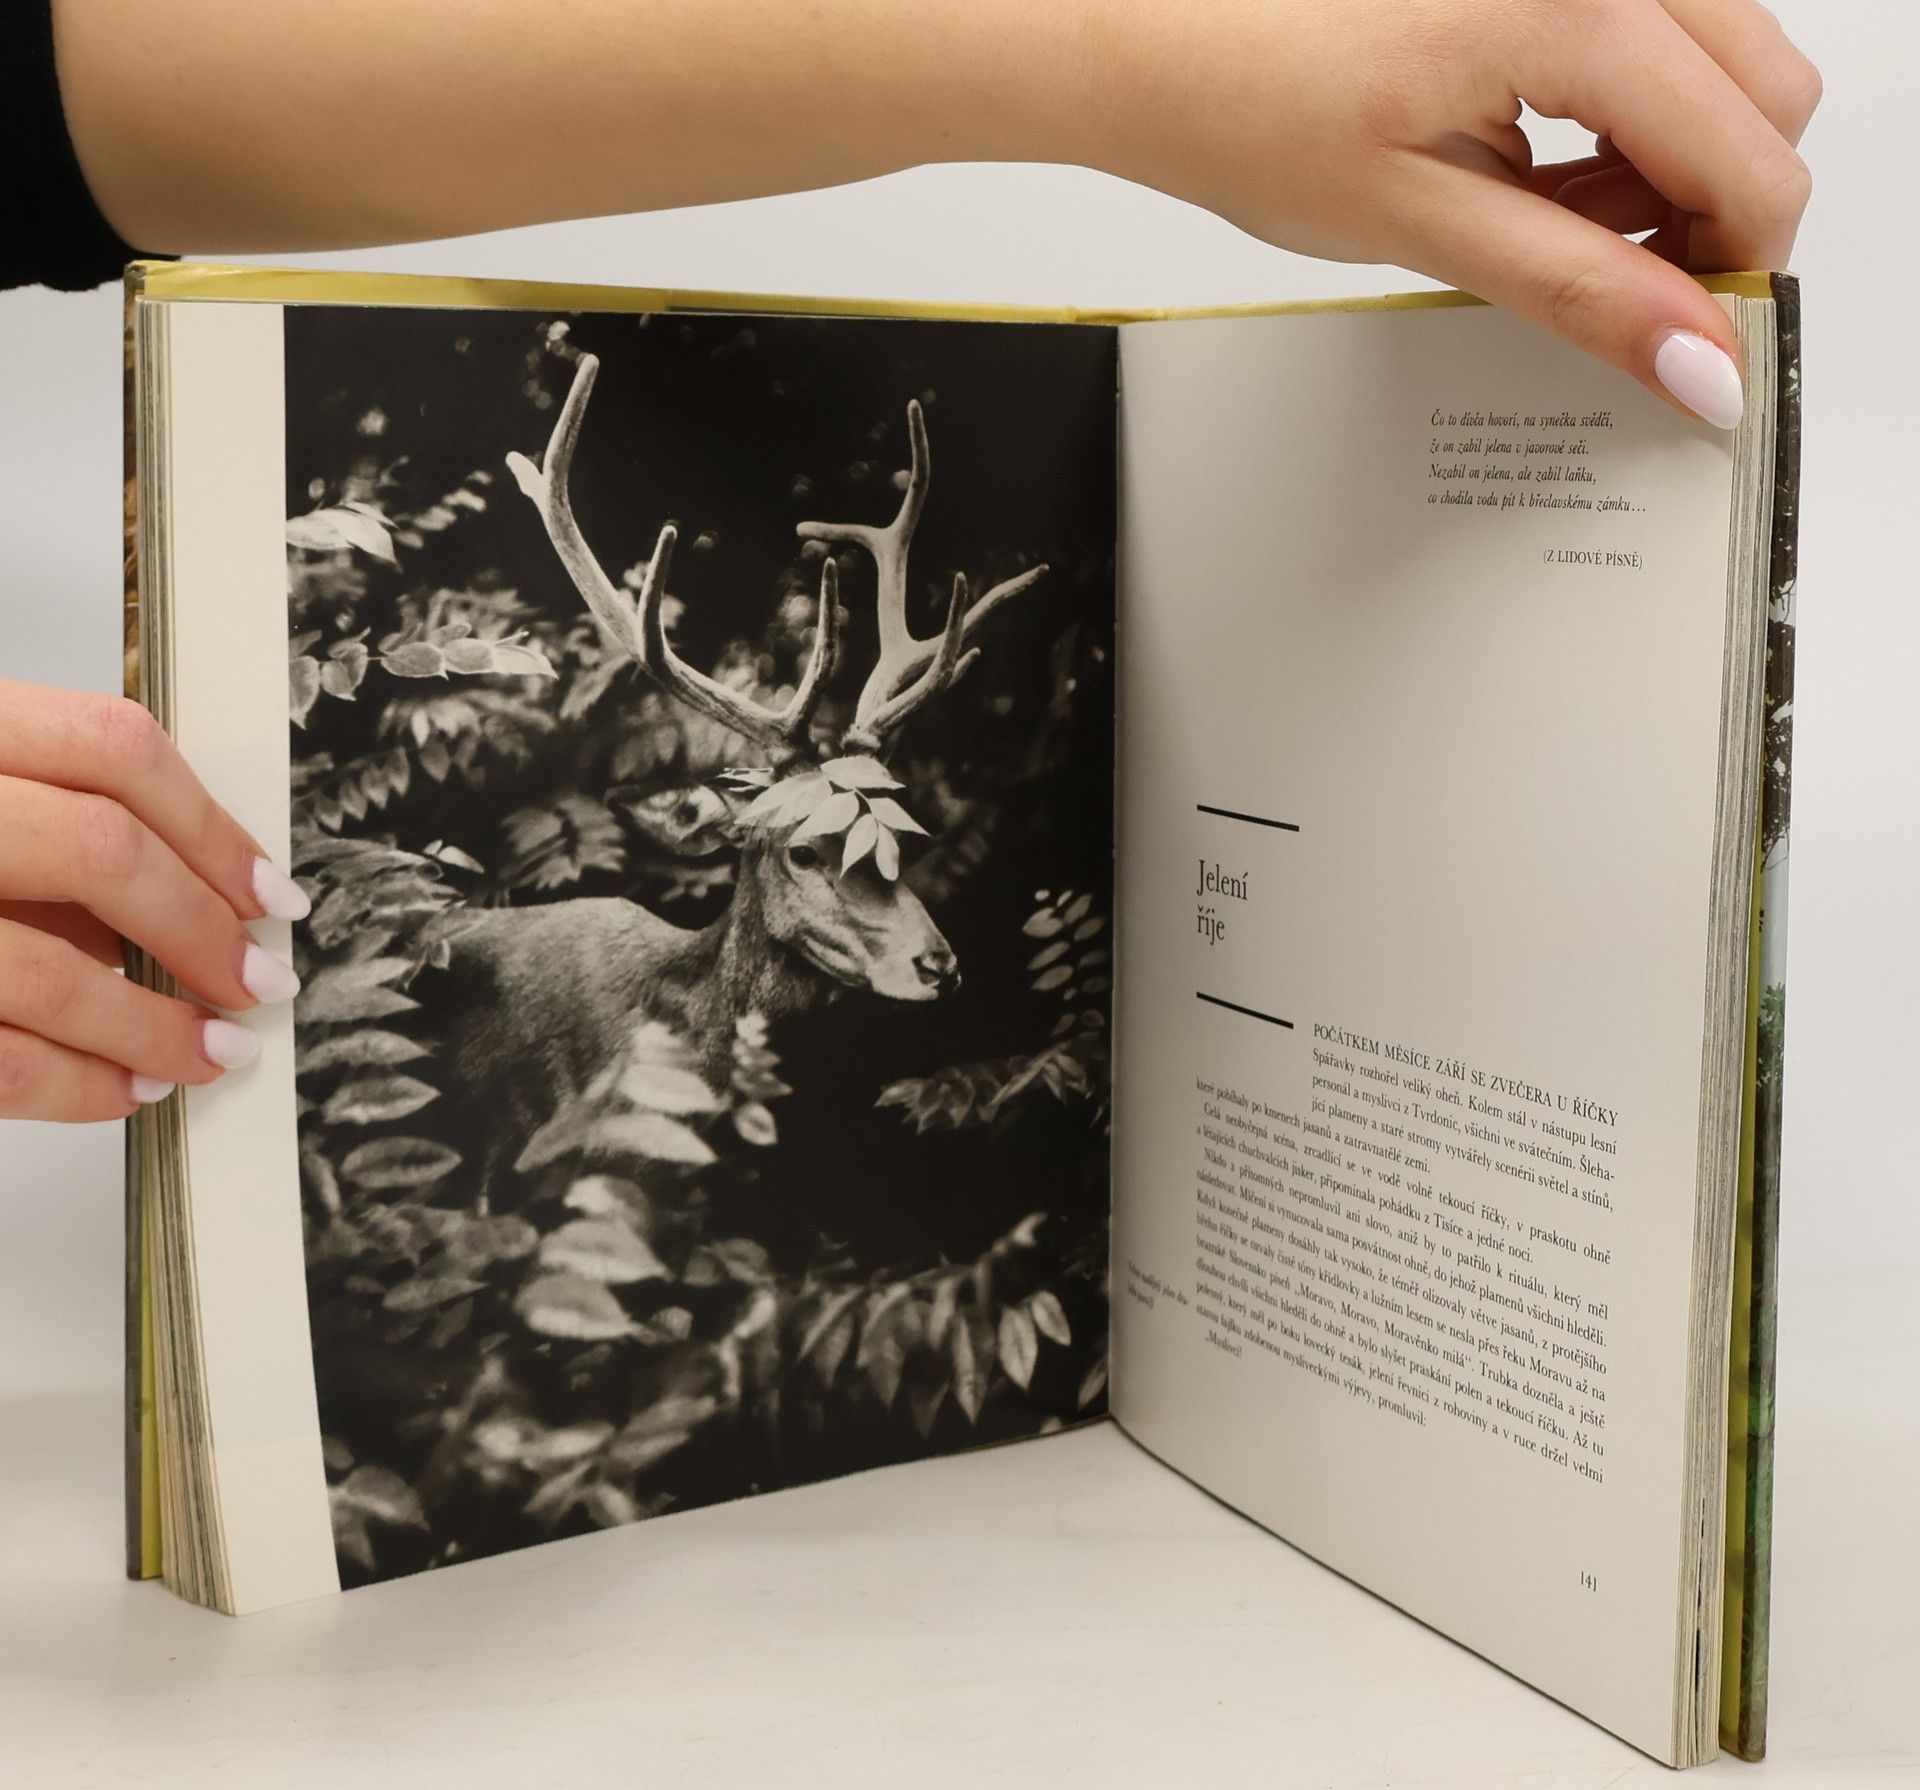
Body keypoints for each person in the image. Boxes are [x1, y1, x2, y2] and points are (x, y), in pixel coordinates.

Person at [0, 0, 1818, 1122]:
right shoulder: (598, 955)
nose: (905, 924)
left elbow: (64, 89)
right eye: (847, 874)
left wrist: (1139, 55)